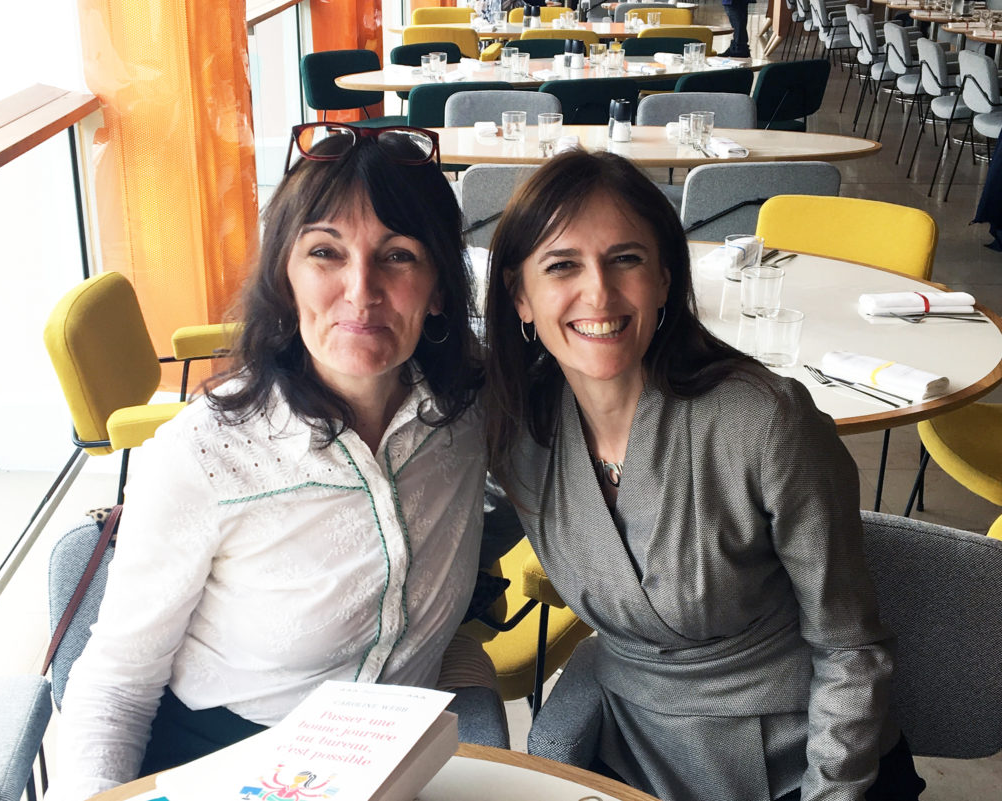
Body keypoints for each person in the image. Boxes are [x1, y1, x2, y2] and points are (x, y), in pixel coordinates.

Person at [52, 124, 493, 801]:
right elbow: (113, 685)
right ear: (284, 278)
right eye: (325, 252)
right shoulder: (205, 454)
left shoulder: (471, 412)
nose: (360, 290)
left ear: (439, 288)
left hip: (395, 761)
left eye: (399, 256)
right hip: (226, 763)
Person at [482, 150, 926, 801]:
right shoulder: (517, 428)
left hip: (801, 756)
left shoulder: (765, 422)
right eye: (562, 265)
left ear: (664, 278)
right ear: (521, 296)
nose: (599, 293)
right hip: (632, 749)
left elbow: (851, 650)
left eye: (625, 258)